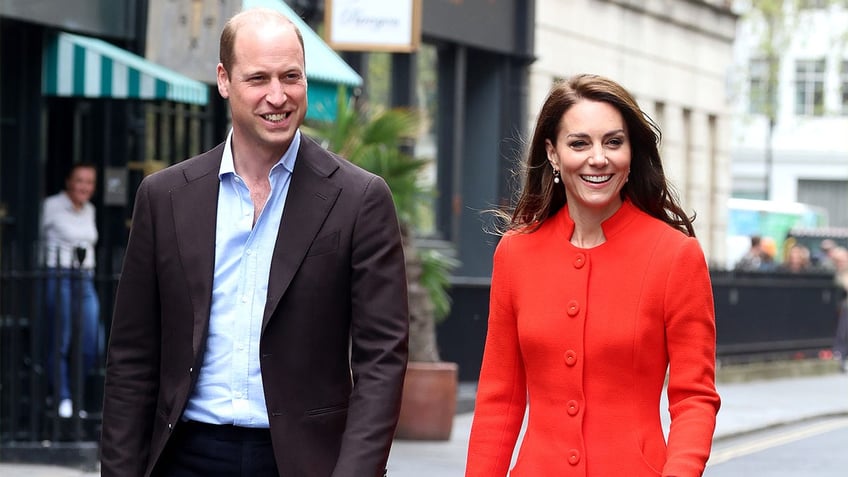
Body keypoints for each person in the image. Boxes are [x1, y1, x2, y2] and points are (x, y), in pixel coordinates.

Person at [100, 8, 409, 477]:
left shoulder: (359, 198)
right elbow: (131, 358)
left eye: (291, 76)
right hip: (183, 455)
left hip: (304, 461)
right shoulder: (164, 197)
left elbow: (382, 361)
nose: (277, 96)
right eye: (258, 78)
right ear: (224, 80)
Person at [465, 74, 721, 476]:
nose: (598, 157)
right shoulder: (516, 253)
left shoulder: (676, 256)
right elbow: (500, 398)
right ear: (552, 153)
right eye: (579, 143)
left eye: (613, 142)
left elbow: (694, 398)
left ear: (631, 152)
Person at [40, 162, 100, 419]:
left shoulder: (90, 210)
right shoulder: (51, 206)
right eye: (79, 180)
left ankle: (74, 394)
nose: (84, 187)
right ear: (68, 182)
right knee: (60, 339)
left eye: (89, 182)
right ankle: (63, 397)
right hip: (59, 275)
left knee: (91, 341)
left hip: (84, 278)